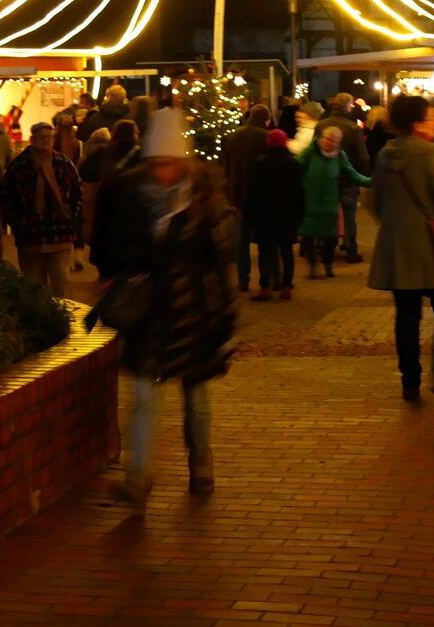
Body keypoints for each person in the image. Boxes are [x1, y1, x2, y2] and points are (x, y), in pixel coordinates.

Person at [91, 108, 238, 515]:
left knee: (197, 396)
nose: (163, 172)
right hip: (150, 313)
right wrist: (120, 271)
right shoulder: (131, 195)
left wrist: (226, 319)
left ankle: (201, 463)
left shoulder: (205, 201)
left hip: (194, 311)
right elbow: (114, 242)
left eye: (170, 164)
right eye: (157, 164)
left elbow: (220, 261)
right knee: (142, 396)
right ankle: (138, 479)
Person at [368, 94, 434, 407]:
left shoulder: (385, 154)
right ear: (416, 123)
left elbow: (372, 202)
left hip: (397, 249)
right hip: (432, 250)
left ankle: (409, 381)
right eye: (431, 117)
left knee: (406, 316)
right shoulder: (431, 154)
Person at [0, 122, 84, 296]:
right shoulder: (19, 166)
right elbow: (6, 197)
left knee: (60, 283)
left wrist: (72, 220)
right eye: (42, 137)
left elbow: (77, 193)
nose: (46, 141)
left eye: (49, 137)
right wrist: (17, 224)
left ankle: (59, 318)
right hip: (30, 236)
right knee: (34, 286)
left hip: (60, 234)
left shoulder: (63, 163)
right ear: (32, 139)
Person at [297, 125, 371, 279]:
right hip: (309, 202)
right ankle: (312, 266)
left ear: (338, 143)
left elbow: (351, 174)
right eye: (327, 139)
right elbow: (295, 169)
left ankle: (328, 265)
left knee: (331, 238)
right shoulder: (309, 153)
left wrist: (371, 182)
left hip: (330, 203)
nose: (329, 143)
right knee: (309, 236)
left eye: (334, 141)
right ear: (321, 138)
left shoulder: (340, 156)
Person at [245, 128, 305, 300]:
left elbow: (252, 191)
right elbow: (299, 191)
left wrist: (250, 213)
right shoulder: (292, 163)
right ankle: (287, 286)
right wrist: (300, 213)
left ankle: (266, 286)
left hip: (265, 214)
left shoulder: (259, 163)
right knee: (286, 251)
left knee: (265, 252)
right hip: (287, 214)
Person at [224, 105, 275, 291]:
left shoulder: (234, 136)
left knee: (242, 241)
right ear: (266, 119)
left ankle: (242, 280)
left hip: (238, 195)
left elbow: (227, 167)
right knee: (264, 241)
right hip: (261, 195)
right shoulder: (266, 137)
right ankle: (265, 280)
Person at [317, 94, 372, 263]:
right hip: (347, 177)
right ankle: (350, 248)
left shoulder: (321, 126)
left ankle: (325, 247)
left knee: (326, 212)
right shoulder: (353, 128)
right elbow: (362, 157)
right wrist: (363, 174)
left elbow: (314, 149)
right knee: (349, 214)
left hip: (325, 176)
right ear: (347, 106)